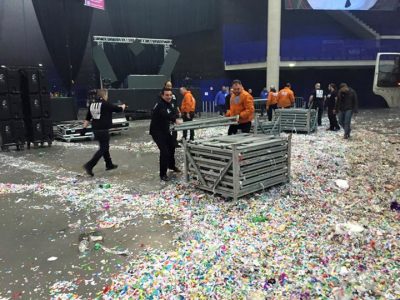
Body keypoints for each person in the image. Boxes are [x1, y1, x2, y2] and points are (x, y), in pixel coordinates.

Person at [82, 89, 126, 176]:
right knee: (103, 148)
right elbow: (118, 109)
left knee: (104, 146)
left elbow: (88, 118)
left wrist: (83, 128)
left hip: (96, 129)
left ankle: (109, 164)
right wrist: (123, 106)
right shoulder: (106, 104)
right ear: (104, 95)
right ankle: (89, 165)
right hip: (103, 130)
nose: (107, 96)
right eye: (107, 95)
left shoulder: (92, 104)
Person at [150, 87, 181, 181]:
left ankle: (171, 166)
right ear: (162, 95)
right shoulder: (160, 104)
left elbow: (173, 112)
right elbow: (165, 114)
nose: (169, 97)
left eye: (170, 95)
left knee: (172, 146)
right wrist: (174, 119)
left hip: (165, 130)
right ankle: (162, 174)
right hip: (157, 132)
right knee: (164, 152)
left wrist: (176, 115)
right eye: (167, 95)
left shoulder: (168, 104)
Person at [164, 81, 181, 148]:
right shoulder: (162, 94)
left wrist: (179, 111)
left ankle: (174, 142)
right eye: (168, 86)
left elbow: (176, 104)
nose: (169, 87)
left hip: (173, 114)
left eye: (170, 86)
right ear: (165, 86)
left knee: (174, 129)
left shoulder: (174, 95)